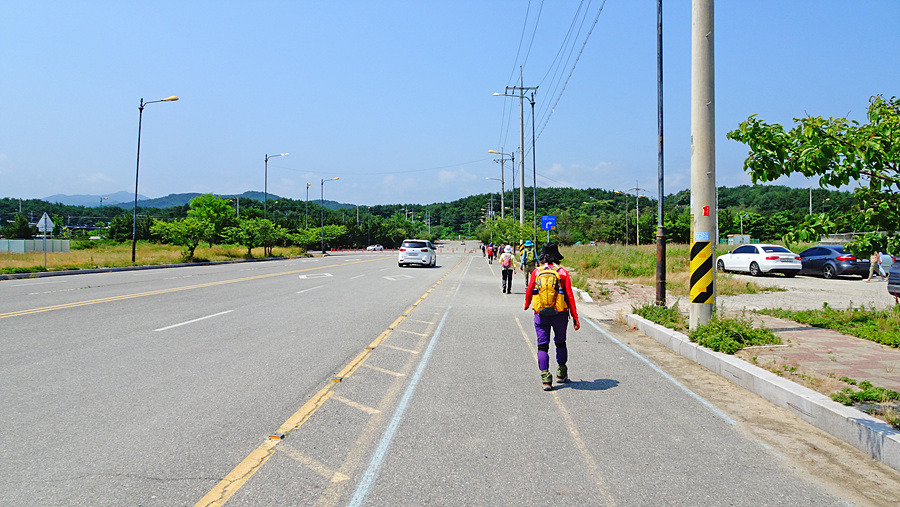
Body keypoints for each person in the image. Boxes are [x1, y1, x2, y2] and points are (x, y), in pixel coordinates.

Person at [523, 243, 580, 391]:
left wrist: (527, 304)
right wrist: (575, 317)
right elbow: (569, 296)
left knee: (542, 345)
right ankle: (561, 373)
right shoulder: (562, 272)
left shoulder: (537, 271)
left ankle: (546, 379)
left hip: (541, 313)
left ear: (542, 256)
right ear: (557, 256)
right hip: (560, 313)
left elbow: (530, 290)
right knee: (560, 343)